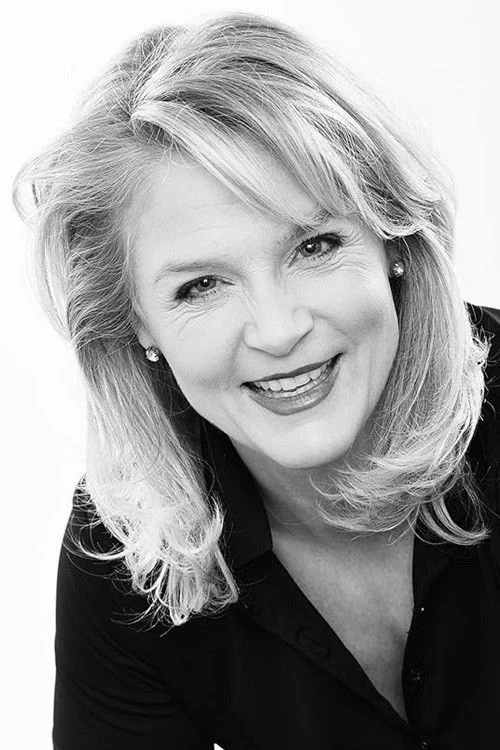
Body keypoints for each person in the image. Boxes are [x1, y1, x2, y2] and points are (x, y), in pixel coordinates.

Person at [13, 10, 500, 750]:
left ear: (393, 237)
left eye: (315, 246)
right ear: (137, 321)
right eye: (201, 286)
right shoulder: (127, 553)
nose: (277, 331)